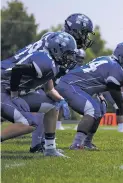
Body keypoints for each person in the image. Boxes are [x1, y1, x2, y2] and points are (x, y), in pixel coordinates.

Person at [55, 42, 123, 150]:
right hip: (71, 86)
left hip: (75, 85)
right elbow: (120, 102)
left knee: (101, 106)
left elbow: (93, 79)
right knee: (93, 109)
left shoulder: (106, 59)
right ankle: (77, 144)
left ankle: (87, 142)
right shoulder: (116, 70)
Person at [1, 32, 78, 157]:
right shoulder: (45, 60)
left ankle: (50, 149)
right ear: (56, 50)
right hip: (3, 90)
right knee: (28, 123)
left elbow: (49, 90)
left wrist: (62, 101)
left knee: (53, 105)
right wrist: (15, 96)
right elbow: (17, 70)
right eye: (68, 54)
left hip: (10, 90)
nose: (70, 59)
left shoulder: (51, 63)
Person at [29, 13, 95, 152]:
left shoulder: (63, 40)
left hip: (36, 77)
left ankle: (42, 144)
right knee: (47, 103)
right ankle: (37, 144)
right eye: (84, 33)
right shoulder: (59, 40)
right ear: (75, 30)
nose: (85, 37)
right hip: (27, 77)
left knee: (51, 103)